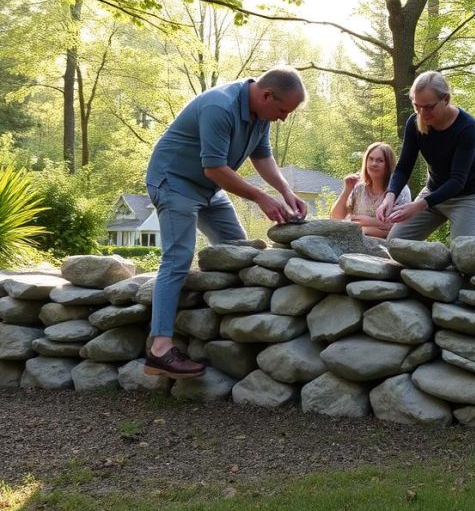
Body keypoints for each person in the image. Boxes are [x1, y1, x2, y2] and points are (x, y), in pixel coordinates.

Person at [143, 66, 309, 379]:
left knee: (239, 251)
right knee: (177, 258)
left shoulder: (261, 115)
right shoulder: (219, 107)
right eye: (283, 110)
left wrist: (286, 192)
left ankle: (229, 332)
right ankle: (160, 349)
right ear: (266, 95)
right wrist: (262, 199)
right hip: (174, 181)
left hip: (209, 189)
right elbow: (215, 168)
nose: (284, 117)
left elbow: (262, 157)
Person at [376, 71, 475, 241]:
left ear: (446, 99)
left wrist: (417, 206)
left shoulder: (467, 126)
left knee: (462, 254)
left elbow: (458, 180)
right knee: (396, 243)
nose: (422, 112)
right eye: (417, 106)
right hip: (434, 191)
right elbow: (403, 167)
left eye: (429, 107)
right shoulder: (414, 123)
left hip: (468, 195)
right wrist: (390, 196)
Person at [330, 142, 411, 238]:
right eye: (370, 159)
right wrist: (347, 189)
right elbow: (335, 218)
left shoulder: (400, 190)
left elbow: (400, 229)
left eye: (380, 160)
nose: (373, 164)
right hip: (356, 244)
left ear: (389, 164)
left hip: (387, 247)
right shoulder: (359, 188)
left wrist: (367, 224)